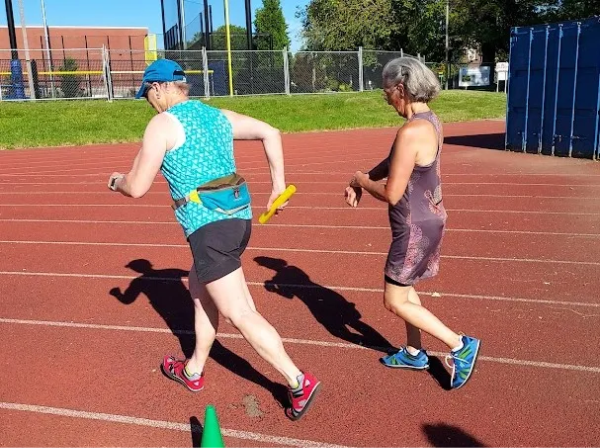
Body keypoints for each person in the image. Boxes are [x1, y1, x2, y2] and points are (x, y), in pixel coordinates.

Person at [107, 59, 320, 420]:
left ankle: (298, 381)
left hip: (209, 228)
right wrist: (278, 186)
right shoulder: (216, 115)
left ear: (159, 88)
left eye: (148, 94)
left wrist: (116, 182)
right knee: (197, 287)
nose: (148, 102)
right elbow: (271, 132)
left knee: (241, 311)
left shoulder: (162, 124)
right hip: (238, 218)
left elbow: (138, 186)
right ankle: (193, 370)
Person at [344, 57, 480, 390]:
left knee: (394, 299)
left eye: (386, 91)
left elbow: (392, 193)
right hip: (431, 217)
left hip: (413, 227)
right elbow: (394, 163)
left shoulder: (410, 131)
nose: (385, 98)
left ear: (401, 89)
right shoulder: (431, 121)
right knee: (407, 289)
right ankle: (413, 351)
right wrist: (364, 175)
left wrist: (362, 182)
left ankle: (460, 345)